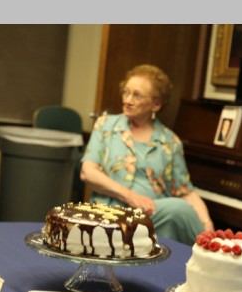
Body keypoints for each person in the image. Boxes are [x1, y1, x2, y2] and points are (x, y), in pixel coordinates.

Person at [80, 64, 214, 246]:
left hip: (154, 215)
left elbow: (186, 192)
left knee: (177, 214)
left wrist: (207, 225)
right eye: (126, 93)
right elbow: (87, 173)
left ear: (156, 104)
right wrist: (131, 197)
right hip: (111, 215)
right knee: (177, 210)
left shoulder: (170, 141)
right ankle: (210, 251)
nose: (128, 100)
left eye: (137, 95)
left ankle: (209, 246)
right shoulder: (106, 126)